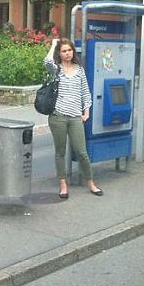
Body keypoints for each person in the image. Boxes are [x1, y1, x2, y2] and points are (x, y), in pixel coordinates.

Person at [44, 37, 103, 199]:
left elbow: (86, 92)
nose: (67, 53)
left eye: (69, 50)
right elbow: (46, 61)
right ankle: (63, 184)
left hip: (76, 117)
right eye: (64, 51)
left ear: (73, 51)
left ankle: (90, 182)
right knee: (60, 152)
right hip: (58, 116)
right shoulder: (56, 70)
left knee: (82, 152)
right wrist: (54, 44)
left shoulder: (79, 70)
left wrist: (87, 112)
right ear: (60, 53)